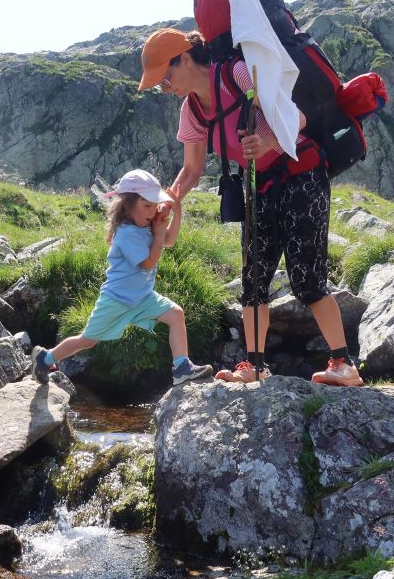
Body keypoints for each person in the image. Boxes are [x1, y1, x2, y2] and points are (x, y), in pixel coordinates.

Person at [137, 27, 363, 387]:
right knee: (253, 277)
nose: (165, 88)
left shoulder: (238, 74)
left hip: (302, 171)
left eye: (165, 78)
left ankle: (344, 364)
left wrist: (269, 139)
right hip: (260, 187)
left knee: (306, 278)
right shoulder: (191, 111)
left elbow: (299, 117)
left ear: (182, 59)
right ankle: (254, 366)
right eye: (160, 85)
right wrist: (170, 198)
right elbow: (192, 168)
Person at [31, 169, 214, 387]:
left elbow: (170, 240)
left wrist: (176, 213)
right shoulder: (126, 233)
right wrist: (157, 233)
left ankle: (182, 367)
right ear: (127, 205)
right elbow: (148, 263)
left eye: (154, 205)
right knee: (88, 340)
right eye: (147, 206)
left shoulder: (146, 224)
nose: (152, 211)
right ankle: (45, 358)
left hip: (142, 297)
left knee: (176, 314)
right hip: (116, 300)